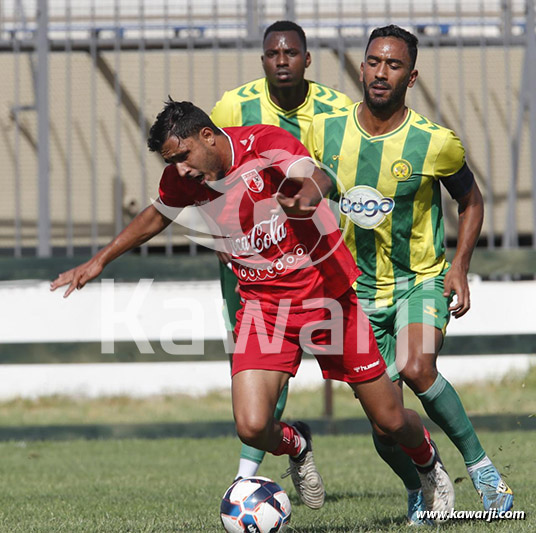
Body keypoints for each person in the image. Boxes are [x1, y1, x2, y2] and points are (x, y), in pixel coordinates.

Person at [51, 99, 455, 518]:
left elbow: (316, 174)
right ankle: (297, 444)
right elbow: (157, 215)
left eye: (183, 156)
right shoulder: (186, 177)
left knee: (390, 419)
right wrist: (100, 259)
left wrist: (309, 194)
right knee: (252, 425)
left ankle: (429, 464)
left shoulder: (264, 144)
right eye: (171, 162)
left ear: (207, 136)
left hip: (327, 298)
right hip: (265, 309)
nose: (181, 170)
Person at [305, 24, 513, 523]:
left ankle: (483, 470)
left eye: (393, 65)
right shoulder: (325, 130)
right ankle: (421, 483)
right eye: (374, 61)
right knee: (385, 423)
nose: (381, 72)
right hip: (355, 291)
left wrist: (459, 266)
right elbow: (314, 186)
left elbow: (471, 200)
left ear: (411, 76)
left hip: (419, 280)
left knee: (418, 366)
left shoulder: (434, 142)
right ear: (361, 68)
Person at [210, 19, 353, 490]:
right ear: (263, 59)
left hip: (318, 260)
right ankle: (247, 477)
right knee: (264, 366)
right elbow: (211, 171)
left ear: (306, 59)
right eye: (273, 54)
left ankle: (421, 464)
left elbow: (342, 175)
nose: (282, 61)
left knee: (373, 383)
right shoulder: (234, 105)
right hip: (252, 260)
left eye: (291, 53)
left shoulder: (337, 110)